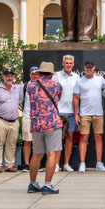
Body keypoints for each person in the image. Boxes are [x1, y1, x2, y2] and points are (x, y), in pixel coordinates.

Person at [26, 61, 63, 194]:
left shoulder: (31, 87)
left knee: (36, 155)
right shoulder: (56, 86)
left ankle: (32, 183)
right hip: (52, 123)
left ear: (40, 73)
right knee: (51, 153)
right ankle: (47, 185)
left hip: (36, 124)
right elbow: (58, 97)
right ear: (51, 74)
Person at [73, 60, 105, 172]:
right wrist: (75, 114)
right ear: (84, 68)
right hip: (84, 114)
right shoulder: (79, 81)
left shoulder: (100, 79)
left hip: (98, 113)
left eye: (91, 67)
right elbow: (76, 98)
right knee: (84, 137)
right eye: (87, 67)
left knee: (98, 137)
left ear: (94, 68)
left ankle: (98, 163)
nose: (89, 69)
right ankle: (82, 163)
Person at [0, 68, 22, 172]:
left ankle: (9, 165)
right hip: (0, 120)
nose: (9, 78)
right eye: (7, 76)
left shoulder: (17, 88)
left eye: (11, 76)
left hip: (14, 121)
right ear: (3, 77)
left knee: (11, 144)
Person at [53, 55, 80, 171]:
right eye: (66, 63)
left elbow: (78, 95)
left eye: (70, 63)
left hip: (71, 112)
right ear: (63, 63)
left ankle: (66, 164)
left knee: (70, 137)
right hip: (59, 111)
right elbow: (53, 93)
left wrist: (76, 113)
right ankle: (56, 164)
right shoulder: (56, 76)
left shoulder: (77, 77)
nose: (68, 65)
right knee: (58, 138)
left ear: (73, 64)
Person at [19, 67, 39, 171]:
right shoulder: (25, 86)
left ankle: (36, 164)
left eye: (37, 74)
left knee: (38, 142)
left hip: (39, 117)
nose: (35, 75)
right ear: (30, 75)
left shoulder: (42, 85)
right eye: (33, 74)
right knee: (27, 141)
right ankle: (27, 164)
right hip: (27, 116)